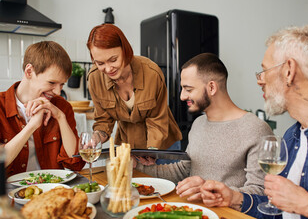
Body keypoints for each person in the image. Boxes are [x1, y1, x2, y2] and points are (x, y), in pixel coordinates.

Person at [200, 25, 308, 219]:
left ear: (288, 71)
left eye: (264, 70)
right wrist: (234, 198)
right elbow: (279, 212)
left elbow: (299, 205)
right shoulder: (291, 137)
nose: (260, 80)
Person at [135, 53, 273, 201]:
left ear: (212, 87)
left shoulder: (255, 129)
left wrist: (207, 190)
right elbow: (183, 170)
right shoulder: (198, 124)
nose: (182, 96)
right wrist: (138, 166)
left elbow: (260, 191)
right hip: (195, 212)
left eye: (188, 89)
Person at [86, 24, 182, 150]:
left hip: (163, 144)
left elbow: (157, 121)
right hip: (127, 144)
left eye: (113, 60)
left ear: (125, 50)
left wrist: (152, 152)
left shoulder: (151, 73)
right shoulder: (95, 78)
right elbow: (103, 121)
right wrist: (96, 138)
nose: (108, 69)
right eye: (100, 63)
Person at [0, 41, 85, 177]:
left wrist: (60, 117)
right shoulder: (1, 106)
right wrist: (32, 126)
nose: (57, 91)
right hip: (10, 195)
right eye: (52, 82)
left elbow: (74, 162)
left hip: (52, 192)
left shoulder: (62, 107)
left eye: (61, 84)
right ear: (29, 72)